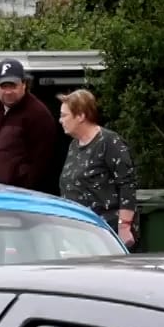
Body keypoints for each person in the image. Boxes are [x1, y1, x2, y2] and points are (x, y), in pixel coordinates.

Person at [57, 89, 138, 248]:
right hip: (76, 230)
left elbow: (127, 183)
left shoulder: (109, 142)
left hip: (103, 231)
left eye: (64, 115)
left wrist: (124, 225)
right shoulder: (74, 145)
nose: (60, 120)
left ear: (81, 116)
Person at [0, 57, 58, 192]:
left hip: (17, 198)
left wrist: (23, 188)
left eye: (12, 85)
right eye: (3, 86)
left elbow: (42, 163)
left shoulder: (38, 114)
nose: (8, 91)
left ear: (24, 84)